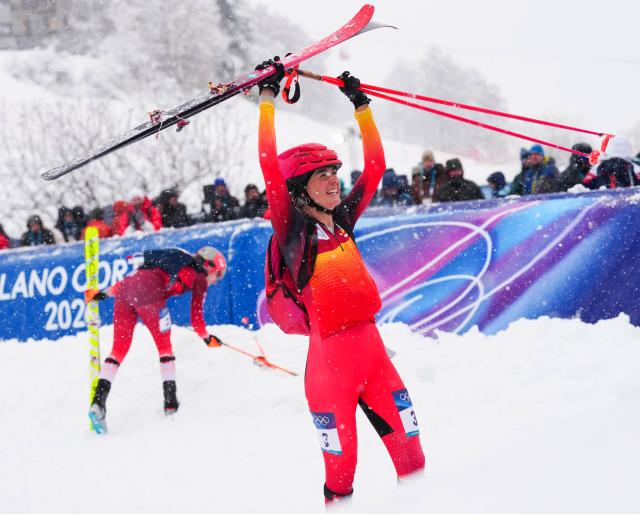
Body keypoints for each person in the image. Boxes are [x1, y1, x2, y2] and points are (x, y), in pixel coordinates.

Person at [256, 59, 425, 504]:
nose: (334, 180)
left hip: (375, 358)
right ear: (298, 188)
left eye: (334, 172)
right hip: (330, 370)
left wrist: (360, 105)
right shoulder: (294, 235)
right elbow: (268, 166)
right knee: (341, 477)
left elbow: (375, 166)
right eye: (322, 175)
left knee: (413, 460)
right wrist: (268, 100)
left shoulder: (343, 220)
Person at [84, 246, 228, 434]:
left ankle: (98, 403)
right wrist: (207, 339)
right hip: (151, 296)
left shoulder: (175, 259)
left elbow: (133, 280)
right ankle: (171, 404)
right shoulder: (199, 277)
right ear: (209, 267)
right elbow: (197, 319)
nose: (215, 282)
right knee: (165, 349)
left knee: (118, 351)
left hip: (124, 294)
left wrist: (101, 294)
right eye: (217, 275)